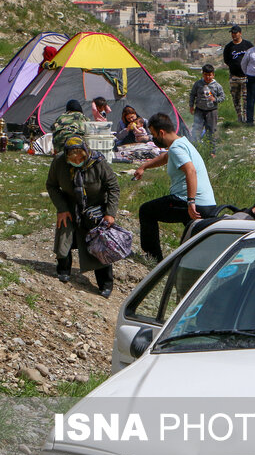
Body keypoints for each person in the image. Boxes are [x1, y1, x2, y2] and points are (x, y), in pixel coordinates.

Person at [134, 113, 217, 262]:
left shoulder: (177, 148)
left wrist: (191, 202)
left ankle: (153, 258)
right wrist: (144, 166)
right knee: (194, 235)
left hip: (191, 202)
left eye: (154, 135)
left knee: (146, 211)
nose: (154, 138)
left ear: (161, 132)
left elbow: (190, 170)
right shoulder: (181, 143)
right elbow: (165, 157)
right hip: (207, 204)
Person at [45, 136, 119, 297]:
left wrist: (110, 214)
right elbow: (51, 185)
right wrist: (62, 208)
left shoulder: (98, 162)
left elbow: (113, 187)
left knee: (100, 245)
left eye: (81, 157)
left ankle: (105, 284)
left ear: (86, 152)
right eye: (73, 158)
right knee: (64, 236)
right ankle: (63, 271)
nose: (78, 160)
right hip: (70, 206)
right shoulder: (59, 162)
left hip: (95, 208)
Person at [189, 64, 226, 155]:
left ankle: (211, 152)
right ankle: (196, 150)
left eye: (210, 75)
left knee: (211, 131)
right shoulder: (198, 84)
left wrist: (215, 99)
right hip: (199, 110)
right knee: (196, 130)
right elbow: (192, 95)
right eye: (205, 75)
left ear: (213, 75)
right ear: (203, 74)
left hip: (211, 111)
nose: (208, 77)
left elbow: (223, 97)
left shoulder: (217, 86)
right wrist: (191, 106)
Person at [223, 25, 253, 123]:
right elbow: (227, 60)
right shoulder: (228, 47)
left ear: (240, 33)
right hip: (234, 76)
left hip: (246, 76)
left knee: (246, 98)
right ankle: (239, 116)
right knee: (236, 97)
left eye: (235, 33)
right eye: (232, 33)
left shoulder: (247, 45)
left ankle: (246, 116)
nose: (234, 35)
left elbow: (253, 58)